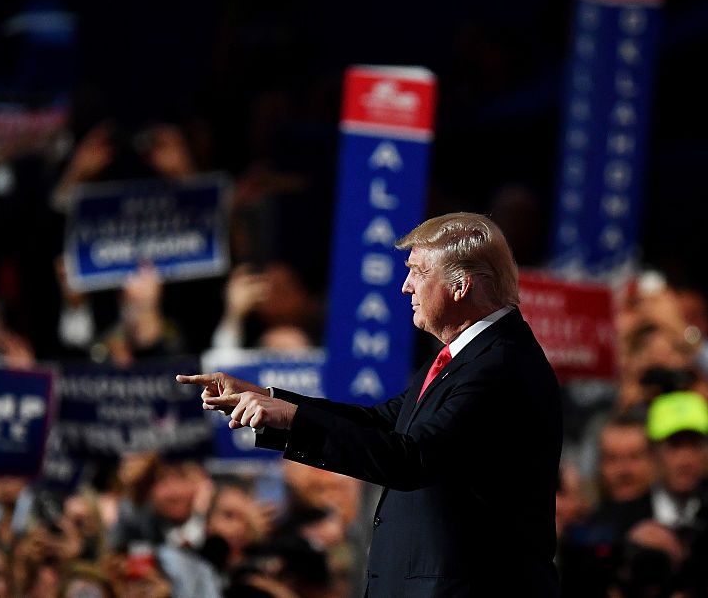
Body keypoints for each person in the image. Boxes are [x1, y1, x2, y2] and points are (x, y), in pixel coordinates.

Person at [179, 212, 563, 597]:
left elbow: (412, 458)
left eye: (417, 271)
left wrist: (295, 418)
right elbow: (384, 422)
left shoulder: (500, 364)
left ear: (460, 285)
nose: (405, 286)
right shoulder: (466, 356)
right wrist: (270, 399)